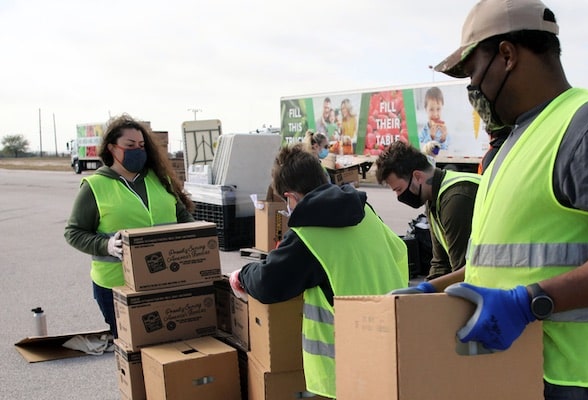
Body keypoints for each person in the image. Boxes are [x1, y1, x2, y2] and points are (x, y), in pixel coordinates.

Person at [429, 0, 588, 398]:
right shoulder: (518, 140)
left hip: (573, 379)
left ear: (507, 55)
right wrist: (435, 290)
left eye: (472, 71)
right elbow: (509, 264)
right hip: (519, 367)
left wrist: (529, 303)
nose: (473, 87)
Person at [228, 144, 407, 399]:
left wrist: (241, 275)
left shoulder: (308, 236)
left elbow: (269, 283)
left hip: (350, 358)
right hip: (393, 335)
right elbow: (399, 250)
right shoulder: (364, 211)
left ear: (291, 197)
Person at [64, 114, 195, 338]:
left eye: (142, 145)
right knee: (132, 349)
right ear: (112, 148)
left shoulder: (158, 180)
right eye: (130, 145)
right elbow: (73, 233)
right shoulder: (95, 186)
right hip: (117, 285)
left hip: (166, 280)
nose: (138, 150)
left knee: (167, 346)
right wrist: (105, 245)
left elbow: (184, 219)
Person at [375, 141, 480, 280]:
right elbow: (441, 263)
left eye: (399, 190)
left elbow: (462, 272)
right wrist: (423, 294)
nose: (399, 197)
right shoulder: (433, 200)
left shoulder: (455, 200)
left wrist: (426, 290)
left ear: (418, 177)